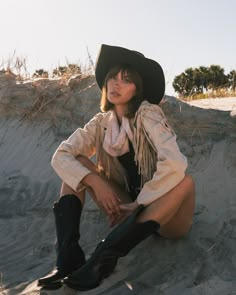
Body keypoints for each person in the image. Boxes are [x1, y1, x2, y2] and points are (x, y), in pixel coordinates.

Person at [38, 44, 195, 291]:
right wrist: (96, 182)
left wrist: (141, 201)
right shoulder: (101, 123)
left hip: (167, 216)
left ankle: (103, 259)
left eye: (126, 80)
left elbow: (175, 162)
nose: (116, 84)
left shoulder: (148, 114)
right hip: (126, 208)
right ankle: (67, 258)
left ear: (137, 89)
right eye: (113, 77)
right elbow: (62, 155)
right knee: (77, 162)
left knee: (186, 181)